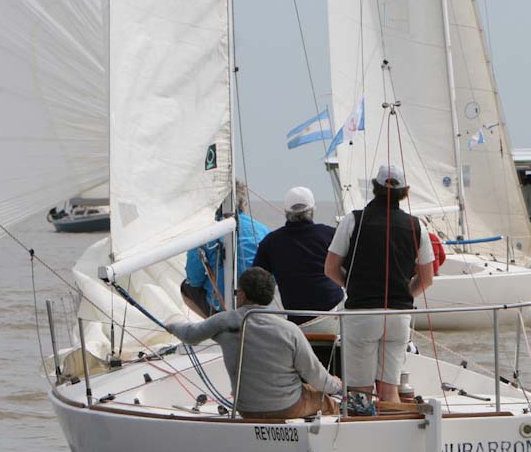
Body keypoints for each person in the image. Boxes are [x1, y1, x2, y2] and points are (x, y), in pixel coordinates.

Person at [166, 267, 342, 419]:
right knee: (328, 402)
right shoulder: (289, 330)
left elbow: (190, 335)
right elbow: (315, 375)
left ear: (242, 295)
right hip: (287, 408)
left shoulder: (224, 322)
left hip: (247, 410)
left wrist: (171, 326)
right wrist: (336, 385)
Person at [324, 164, 434, 403]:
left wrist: (352, 286)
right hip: (398, 316)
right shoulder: (417, 226)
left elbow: (330, 268)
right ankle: (392, 424)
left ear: (374, 187)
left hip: (361, 314)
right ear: (406, 191)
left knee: (360, 392)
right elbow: (427, 278)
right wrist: (406, 295)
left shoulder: (353, 220)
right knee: (389, 390)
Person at [252, 186, 342, 326]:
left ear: (286, 212)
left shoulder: (270, 242)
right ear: (312, 210)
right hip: (333, 313)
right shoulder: (330, 234)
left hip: (297, 320)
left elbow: (256, 281)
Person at [181, 182, 270, 318]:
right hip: (258, 305)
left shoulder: (206, 233)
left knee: (186, 288)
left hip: (222, 307)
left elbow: (194, 279)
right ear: (243, 203)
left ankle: (215, 324)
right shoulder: (263, 230)